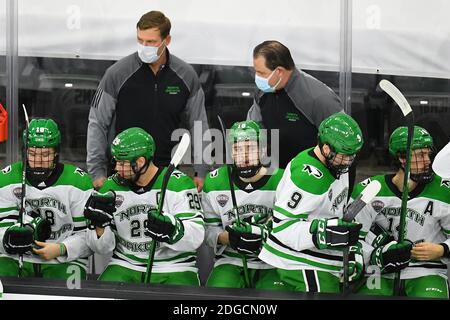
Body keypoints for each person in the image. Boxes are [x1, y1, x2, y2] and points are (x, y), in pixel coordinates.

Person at [87, 10, 210, 191]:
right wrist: (97, 172)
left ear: (166, 40)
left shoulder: (186, 75)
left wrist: (202, 171)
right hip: (124, 172)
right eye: (140, 40)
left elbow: (199, 124)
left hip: (167, 173)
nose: (144, 46)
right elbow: (97, 122)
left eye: (151, 42)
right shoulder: (116, 74)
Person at [258, 113, 365, 293]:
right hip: (297, 259)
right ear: (325, 148)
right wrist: (323, 232)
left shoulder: (338, 165)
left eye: (351, 155)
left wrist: (351, 250)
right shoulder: (306, 177)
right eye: (343, 155)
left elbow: (334, 215)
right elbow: (282, 229)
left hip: (322, 256)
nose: (348, 161)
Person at [85, 127, 204, 286]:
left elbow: (197, 235)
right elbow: (102, 248)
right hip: (125, 263)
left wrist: (171, 229)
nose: (116, 168)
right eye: (116, 162)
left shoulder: (178, 184)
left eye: (122, 163)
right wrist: (99, 227)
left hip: (175, 266)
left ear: (140, 162)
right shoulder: (111, 187)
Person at [353, 126, 450, 298]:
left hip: (426, 270)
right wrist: (377, 255)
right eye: (420, 155)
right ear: (402, 157)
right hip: (378, 270)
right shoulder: (371, 189)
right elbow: (354, 238)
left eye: (428, 154)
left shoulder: (443, 190)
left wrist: (442, 249)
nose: (428, 160)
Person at [0, 119, 93, 279]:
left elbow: (88, 237)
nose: (38, 161)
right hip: (17, 257)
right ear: (25, 151)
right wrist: (7, 238)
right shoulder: (7, 178)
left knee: (70, 290)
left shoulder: (79, 182)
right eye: (32, 154)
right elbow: (2, 227)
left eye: (45, 154)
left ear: (56, 153)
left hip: (63, 259)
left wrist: (61, 249)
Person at [202, 120, 285, 289]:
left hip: (273, 261)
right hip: (231, 260)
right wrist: (229, 239)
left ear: (263, 150)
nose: (243, 156)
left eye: (250, 148)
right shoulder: (215, 181)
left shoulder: (283, 179)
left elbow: (292, 228)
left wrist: (263, 235)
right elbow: (207, 230)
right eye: (237, 149)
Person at [247, 40, 343, 169]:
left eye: (261, 73)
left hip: (309, 178)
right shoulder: (262, 91)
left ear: (279, 71)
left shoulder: (318, 98)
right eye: (256, 71)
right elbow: (253, 127)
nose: (257, 77)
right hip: (273, 174)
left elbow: (343, 146)